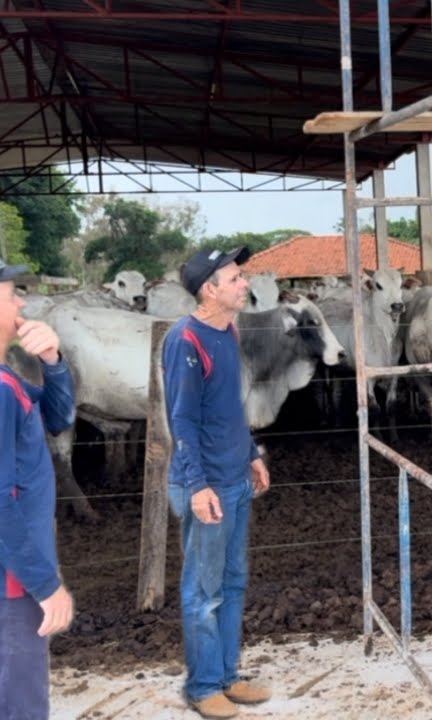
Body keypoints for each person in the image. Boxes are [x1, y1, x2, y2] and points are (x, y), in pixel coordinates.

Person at [0, 250, 76, 719]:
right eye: (12, 294)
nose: (23, 304)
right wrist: (46, 585)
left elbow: (58, 417)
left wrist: (53, 360)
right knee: (15, 706)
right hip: (9, 575)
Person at [164, 247, 271, 719]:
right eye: (235, 278)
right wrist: (198, 486)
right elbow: (181, 420)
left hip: (235, 477)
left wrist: (252, 454)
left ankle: (227, 676)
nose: (244, 283)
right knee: (203, 591)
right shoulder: (185, 340)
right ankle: (203, 685)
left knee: (232, 581)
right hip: (207, 485)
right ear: (210, 289)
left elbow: (229, 406)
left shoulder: (228, 329)